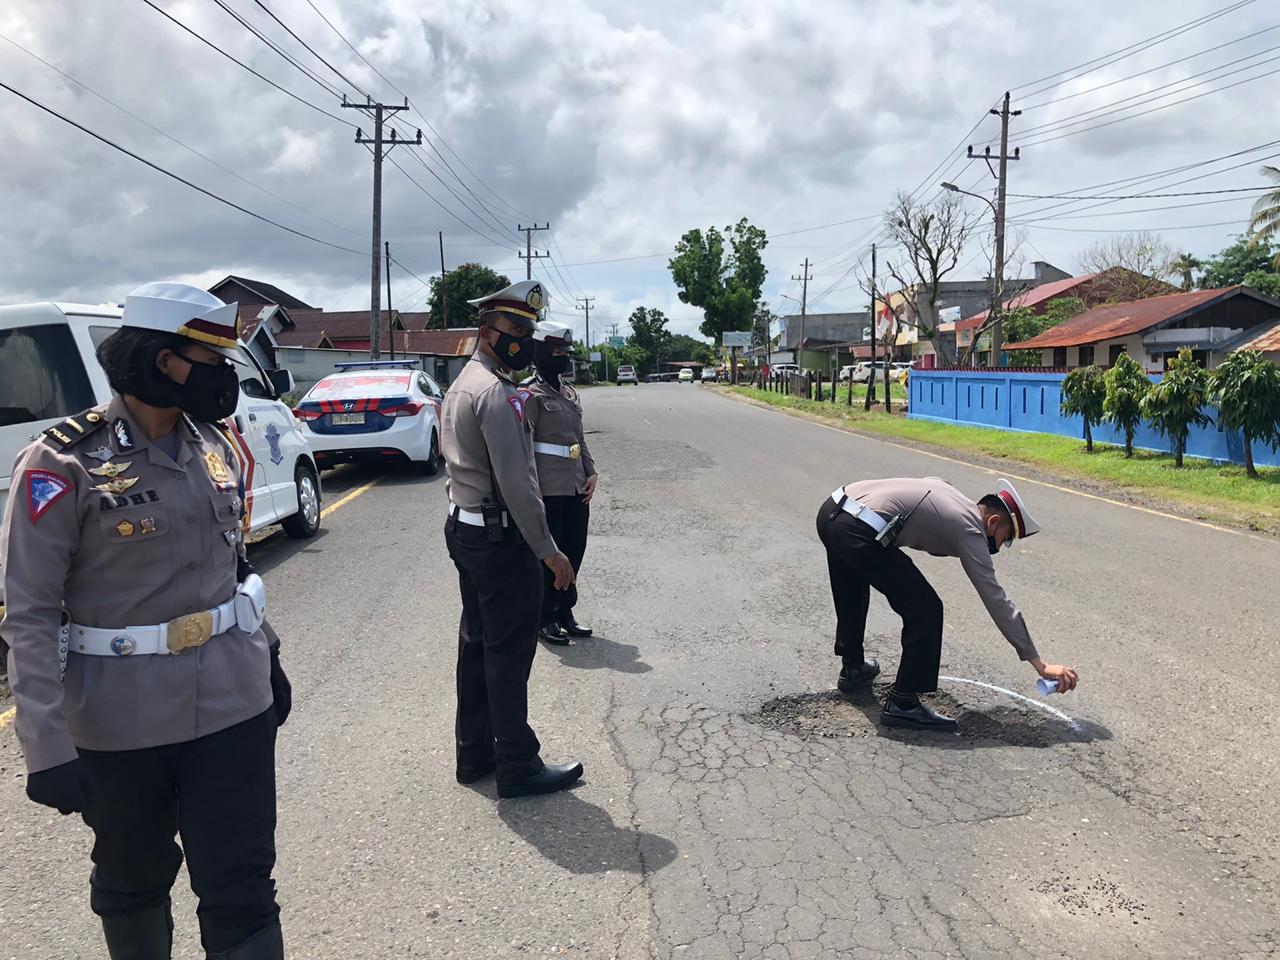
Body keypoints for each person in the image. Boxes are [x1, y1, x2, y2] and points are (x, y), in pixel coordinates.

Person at [0, 282, 291, 959]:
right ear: (163, 362)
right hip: (119, 723)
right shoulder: (62, 463)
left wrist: (268, 657)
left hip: (232, 706)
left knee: (242, 885)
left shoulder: (218, 447)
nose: (226, 378)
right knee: (134, 883)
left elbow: (233, 567)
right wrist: (44, 746)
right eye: (211, 360)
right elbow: (31, 614)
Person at [440, 279, 583, 799]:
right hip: (501, 542)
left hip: (467, 530)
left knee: (477, 646)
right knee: (507, 654)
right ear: (488, 330)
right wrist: (550, 552)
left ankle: (473, 754)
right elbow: (519, 486)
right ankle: (517, 764)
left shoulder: (463, 384)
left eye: (527, 329)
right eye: (514, 329)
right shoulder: (495, 394)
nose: (522, 338)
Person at [815, 476, 1078, 731]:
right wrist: (1039, 664)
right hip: (858, 529)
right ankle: (903, 703)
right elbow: (996, 599)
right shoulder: (970, 529)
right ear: (994, 521)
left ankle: (853, 668)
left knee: (851, 584)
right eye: (1006, 538)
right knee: (925, 609)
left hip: (833, 509)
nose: (1001, 545)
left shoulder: (951, 492)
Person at [521, 321, 598, 645]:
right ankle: (544, 617)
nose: (563, 357)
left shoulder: (569, 392)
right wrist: (531, 484)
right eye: (557, 351)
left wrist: (591, 470)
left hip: (575, 486)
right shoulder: (530, 394)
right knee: (549, 555)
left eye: (566, 352)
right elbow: (525, 445)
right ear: (541, 352)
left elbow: (578, 438)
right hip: (548, 487)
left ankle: (565, 611)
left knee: (574, 550)